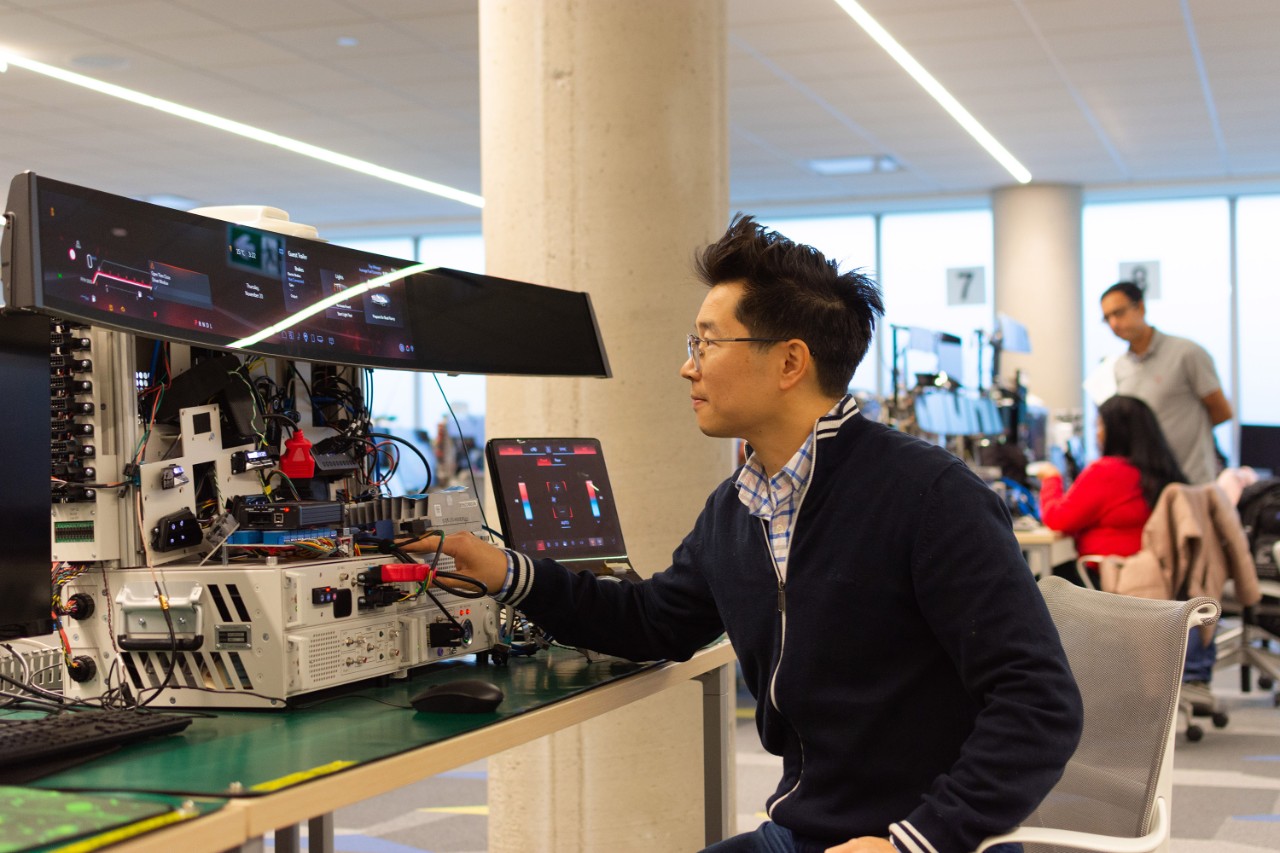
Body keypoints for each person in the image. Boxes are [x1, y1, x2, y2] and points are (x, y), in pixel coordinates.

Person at [413, 216, 1083, 853]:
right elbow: (653, 620)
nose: (688, 366)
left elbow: (1039, 700)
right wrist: (505, 570)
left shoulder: (928, 496)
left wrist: (917, 839)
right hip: (804, 831)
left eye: (706, 342)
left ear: (790, 361)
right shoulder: (738, 509)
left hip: (917, 839)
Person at [1034, 395, 1188, 586]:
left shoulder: (1108, 472)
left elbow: (1058, 519)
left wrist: (1051, 478)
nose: (1097, 434)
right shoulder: (1164, 471)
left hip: (1112, 578)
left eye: (1099, 426)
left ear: (1117, 432)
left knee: (1028, 588)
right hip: (1152, 579)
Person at [1100, 281, 1232, 485]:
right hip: (1149, 485)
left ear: (1141, 308)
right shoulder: (1120, 367)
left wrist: (1184, 432)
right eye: (1107, 318)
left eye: (1119, 313)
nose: (1114, 324)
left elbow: (1221, 411)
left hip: (1192, 480)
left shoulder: (1187, 353)